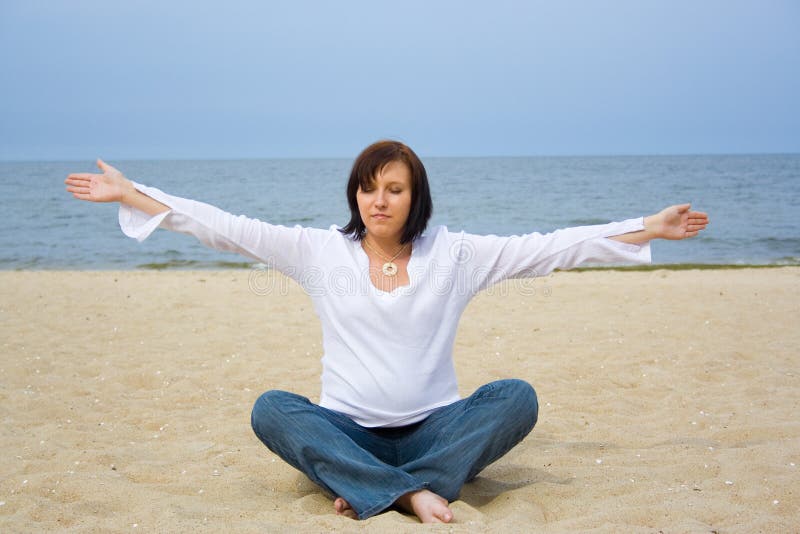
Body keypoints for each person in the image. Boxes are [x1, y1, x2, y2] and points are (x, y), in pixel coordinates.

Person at [64, 140, 709, 523]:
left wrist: (646, 226)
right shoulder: (319, 253)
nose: (379, 201)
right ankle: (411, 492)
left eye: (394, 189)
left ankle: (379, 487)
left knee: (517, 396)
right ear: (355, 196)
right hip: (349, 428)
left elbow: (549, 247)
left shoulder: (455, 256)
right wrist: (133, 193)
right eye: (368, 189)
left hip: (436, 424)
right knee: (274, 411)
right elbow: (220, 225)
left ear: (413, 197)